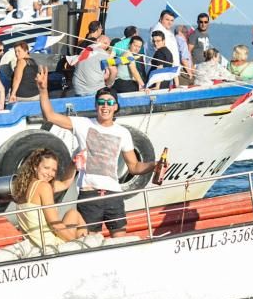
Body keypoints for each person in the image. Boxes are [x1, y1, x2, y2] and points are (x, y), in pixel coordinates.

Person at [38, 71, 156, 237]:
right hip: (89, 195)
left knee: (121, 243)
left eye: (109, 102)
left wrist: (154, 165)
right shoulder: (83, 124)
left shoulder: (123, 132)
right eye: (101, 102)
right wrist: (43, 90)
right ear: (95, 106)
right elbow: (49, 115)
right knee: (89, 243)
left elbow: (134, 166)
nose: (105, 105)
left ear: (116, 107)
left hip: (114, 195)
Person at [10, 148, 88, 250]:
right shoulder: (43, 187)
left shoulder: (23, 187)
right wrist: (76, 243)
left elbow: (65, 184)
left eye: (53, 170)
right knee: (75, 216)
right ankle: (84, 250)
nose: (50, 173)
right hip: (49, 245)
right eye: (46, 168)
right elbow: (55, 224)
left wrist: (73, 164)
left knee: (73, 214)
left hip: (35, 245)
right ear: (35, 167)